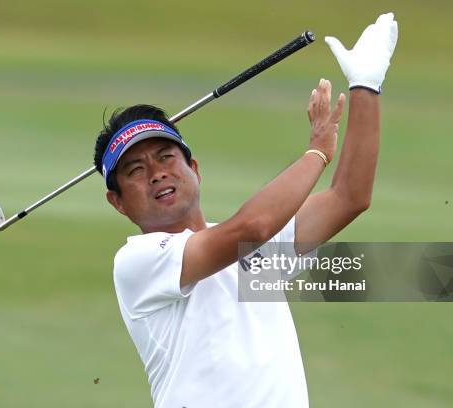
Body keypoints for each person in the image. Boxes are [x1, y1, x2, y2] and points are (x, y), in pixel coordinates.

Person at [92, 13, 398, 408]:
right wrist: (317, 151)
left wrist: (365, 87)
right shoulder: (139, 262)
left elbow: (349, 197)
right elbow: (250, 226)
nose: (156, 173)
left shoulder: (258, 254)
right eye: (135, 170)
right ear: (117, 201)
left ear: (194, 168)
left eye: (167, 157)